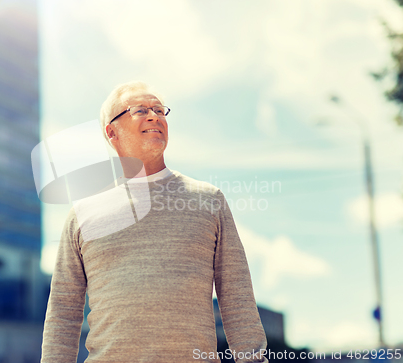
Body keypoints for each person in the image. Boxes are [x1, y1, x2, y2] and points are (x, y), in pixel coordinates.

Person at [41, 81, 268, 363]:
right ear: (112, 132)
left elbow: (237, 298)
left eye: (159, 110)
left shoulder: (209, 200)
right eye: (140, 110)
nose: (154, 116)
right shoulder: (82, 213)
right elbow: (63, 310)